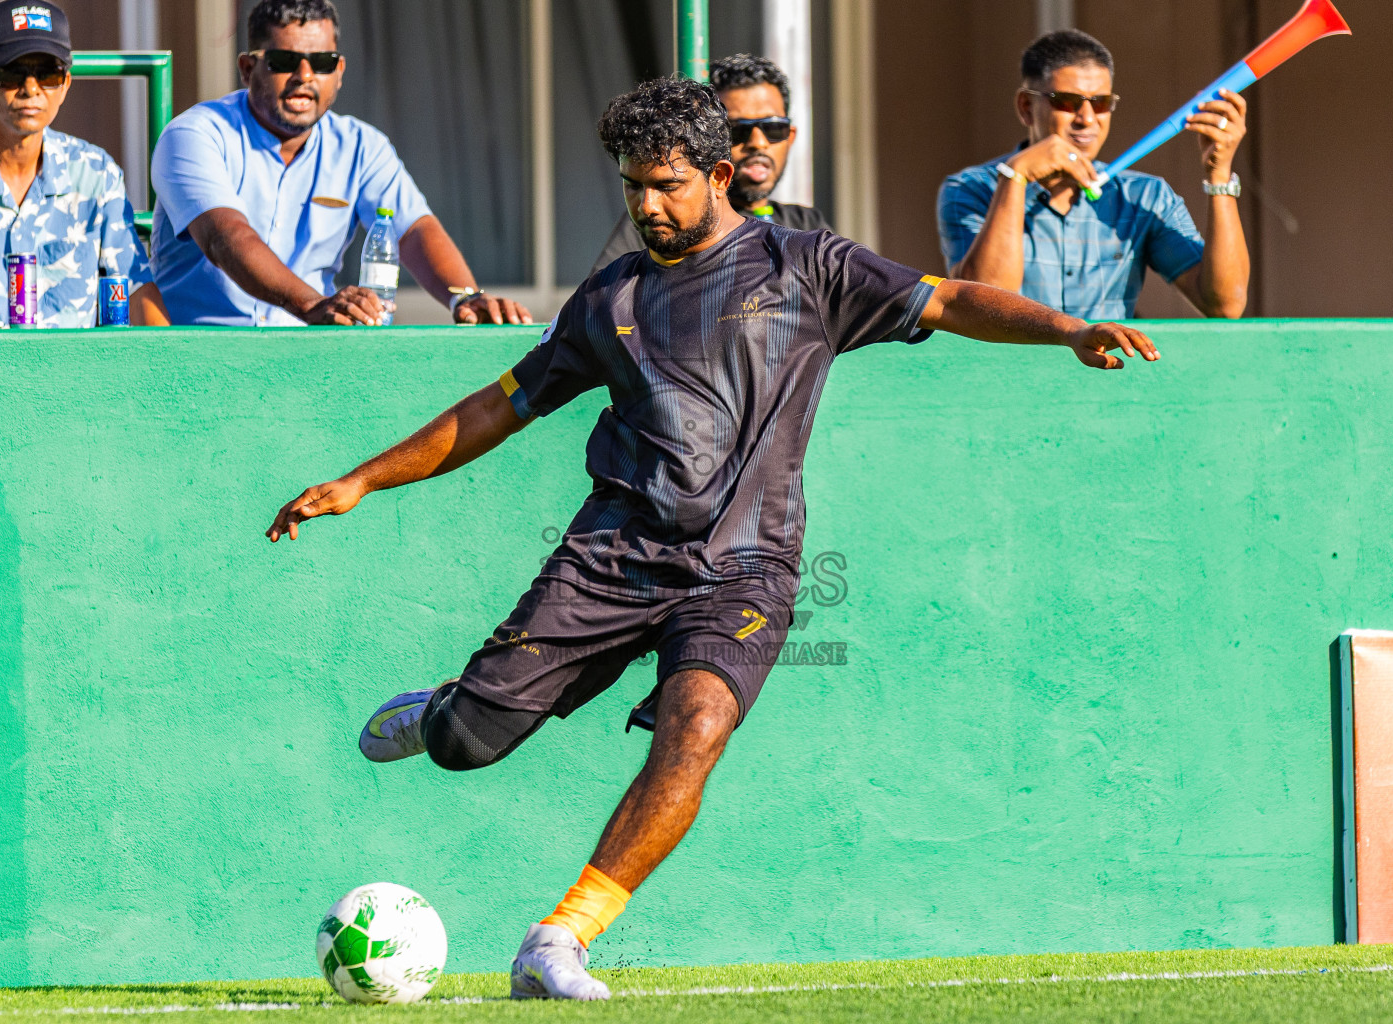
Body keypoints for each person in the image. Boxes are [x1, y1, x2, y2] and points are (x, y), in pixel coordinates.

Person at [265, 77, 1158, 1000]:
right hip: (611, 559)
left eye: (664, 185)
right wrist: (364, 479)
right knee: (468, 747)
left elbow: (953, 299)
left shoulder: (805, 266)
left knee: (696, 727)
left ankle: (559, 939)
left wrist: (1067, 331)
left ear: (721, 172)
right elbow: (502, 406)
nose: (645, 206)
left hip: (746, 569)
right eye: (630, 188)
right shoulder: (608, 299)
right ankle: (450, 710)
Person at [148, 0, 529, 327]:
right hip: (196, 352)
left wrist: (465, 299)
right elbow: (225, 237)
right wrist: (312, 304)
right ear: (248, 68)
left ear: (340, 72)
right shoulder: (196, 135)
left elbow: (413, 230)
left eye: (322, 62)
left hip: (307, 353)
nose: (305, 76)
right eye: (284, 60)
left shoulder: (362, 146)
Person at [938, 30, 1250, 320]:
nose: (1087, 119)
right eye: (1068, 102)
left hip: (1108, 375)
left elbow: (1225, 305)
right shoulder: (970, 189)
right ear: (1026, 107)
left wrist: (1219, 176)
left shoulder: (1145, 196)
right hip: (1012, 378)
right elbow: (984, 306)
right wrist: (1015, 177)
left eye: (1100, 103)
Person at [0, 0, 165, 327]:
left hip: (79, 374)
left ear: (65, 84)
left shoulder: (95, 172)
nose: (31, 89)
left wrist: (170, 370)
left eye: (48, 74)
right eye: (12, 74)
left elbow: (135, 292)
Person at [588, 53, 828, 275]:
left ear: (791, 136)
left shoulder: (808, 227)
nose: (758, 143)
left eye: (774, 128)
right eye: (737, 130)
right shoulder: (659, 220)